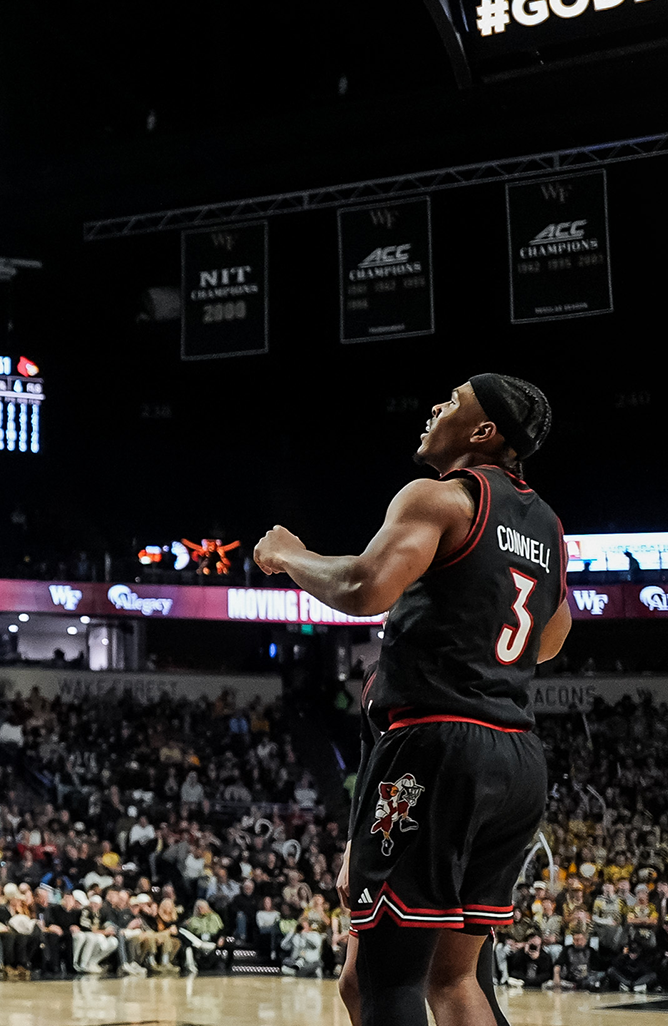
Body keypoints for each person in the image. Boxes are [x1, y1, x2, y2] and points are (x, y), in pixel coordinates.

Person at [255, 374, 565, 1026]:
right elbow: (551, 636)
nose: (435, 406)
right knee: (440, 982)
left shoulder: (442, 499)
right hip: (516, 754)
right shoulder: (546, 527)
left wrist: (290, 554)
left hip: (438, 746)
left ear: (484, 433)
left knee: (390, 980)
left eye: (453, 401)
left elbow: (365, 585)